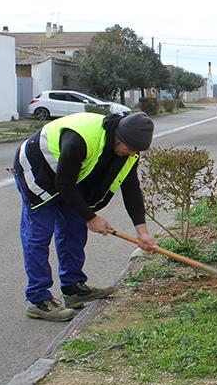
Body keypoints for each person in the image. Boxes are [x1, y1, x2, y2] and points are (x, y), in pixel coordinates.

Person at [11, 111, 158, 321]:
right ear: (118, 137)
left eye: (136, 150)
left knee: (74, 230)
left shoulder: (129, 150)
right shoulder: (80, 140)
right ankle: (38, 299)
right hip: (38, 169)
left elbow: (131, 188)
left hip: (68, 177)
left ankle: (73, 288)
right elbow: (63, 184)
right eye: (129, 148)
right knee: (39, 235)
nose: (132, 153)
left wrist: (142, 231)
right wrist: (91, 217)